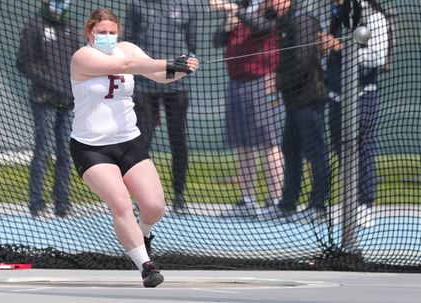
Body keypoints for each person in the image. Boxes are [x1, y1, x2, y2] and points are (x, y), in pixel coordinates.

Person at [69, 8, 198, 287]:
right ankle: (146, 266)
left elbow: (160, 75)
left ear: (119, 31)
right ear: (89, 33)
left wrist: (182, 69)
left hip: (129, 141)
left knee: (154, 207)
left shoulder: (126, 49)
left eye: (111, 32)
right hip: (92, 148)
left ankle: (144, 234)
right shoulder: (83, 57)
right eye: (101, 32)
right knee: (121, 203)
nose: (107, 37)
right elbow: (128, 68)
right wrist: (168, 62)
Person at [240, 0, 342, 222]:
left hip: (310, 97)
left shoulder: (303, 20)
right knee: (290, 149)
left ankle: (318, 206)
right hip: (294, 99)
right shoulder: (285, 21)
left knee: (315, 151)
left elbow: (302, 61)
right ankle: (287, 205)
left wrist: (277, 81)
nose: (269, 4)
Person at [211, 0, 284, 217]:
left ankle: (276, 201)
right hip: (236, 81)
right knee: (242, 144)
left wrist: (236, 11)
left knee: (269, 142)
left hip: (263, 81)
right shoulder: (242, 8)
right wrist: (228, 23)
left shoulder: (271, 7)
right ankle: (247, 200)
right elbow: (217, 41)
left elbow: (263, 27)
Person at [123, 0, 198, 213]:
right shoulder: (137, 5)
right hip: (145, 85)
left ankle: (179, 196)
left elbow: (192, 44)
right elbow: (129, 44)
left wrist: (185, 66)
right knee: (142, 139)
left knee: (178, 138)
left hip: (178, 84)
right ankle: (140, 197)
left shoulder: (187, 4)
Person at [328, 0, 390, 227]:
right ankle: (350, 202)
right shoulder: (334, 14)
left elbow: (378, 57)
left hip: (363, 94)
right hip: (336, 95)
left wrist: (342, 48)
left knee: (362, 145)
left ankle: (365, 204)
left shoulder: (373, 15)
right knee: (340, 145)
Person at [16, 0, 79, 217]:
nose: (59, 4)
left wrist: (71, 88)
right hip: (43, 100)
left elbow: (77, 63)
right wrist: (50, 82)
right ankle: (37, 204)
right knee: (43, 150)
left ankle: (62, 204)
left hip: (68, 102)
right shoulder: (34, 26)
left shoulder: (71, 29)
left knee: (66, 151)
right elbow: (23, 62)